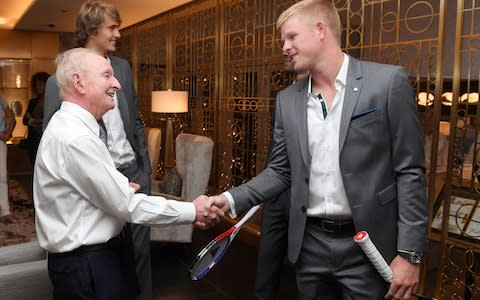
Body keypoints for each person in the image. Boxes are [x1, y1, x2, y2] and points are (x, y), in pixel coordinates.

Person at [208, 0, 428, 299]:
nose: (284, 47)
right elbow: (280, 171)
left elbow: (410, 171)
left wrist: (410, 254)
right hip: (310, 247)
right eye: (282, 40)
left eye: (291, 36)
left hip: (369, 247)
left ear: (320, 30)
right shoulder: (288, 99)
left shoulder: (387, 83)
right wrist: (228, 198)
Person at [34, 47, 222, 300]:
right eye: (107, 75)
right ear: (78, 82)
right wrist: (193, 210)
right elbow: (128, 206)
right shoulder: (76, 137)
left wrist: (118, 187)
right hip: (88, 266)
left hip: (94, 259)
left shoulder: (74, 127)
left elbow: (89, 189)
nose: (117, 84)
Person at [43, 1, 154, 299]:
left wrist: (145, 169)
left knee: (139, 256)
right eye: (112, 27)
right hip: (93, 176)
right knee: (105, 256)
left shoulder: (123, 69)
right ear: (92, 30)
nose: (119, 34)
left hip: (133, 171)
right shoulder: (60, 80)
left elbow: (137, 122)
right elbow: (55, 141)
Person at [254, 57, 308, 300]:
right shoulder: (284, 97)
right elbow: (277, 152)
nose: (287, 50)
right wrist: (266, 189)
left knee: (306, 267)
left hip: (305, 197)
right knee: (267, 257)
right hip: (278, 194)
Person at [23, 71, 50, 166]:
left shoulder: (52, 102)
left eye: (40, 84)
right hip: (33, 140)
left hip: (45, 139)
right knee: (34, 164)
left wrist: (33, 120)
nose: (38, 87)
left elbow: (50, 120)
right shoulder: (33, 101)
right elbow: (24, 120)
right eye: (36, 85)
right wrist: (35, 121)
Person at [0, 96, 16, 224]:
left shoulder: (2, 99)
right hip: (1, 137)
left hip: (1, 142)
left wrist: (8, 132)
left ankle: (5, 211)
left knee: (2, 177)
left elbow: (11, 116)